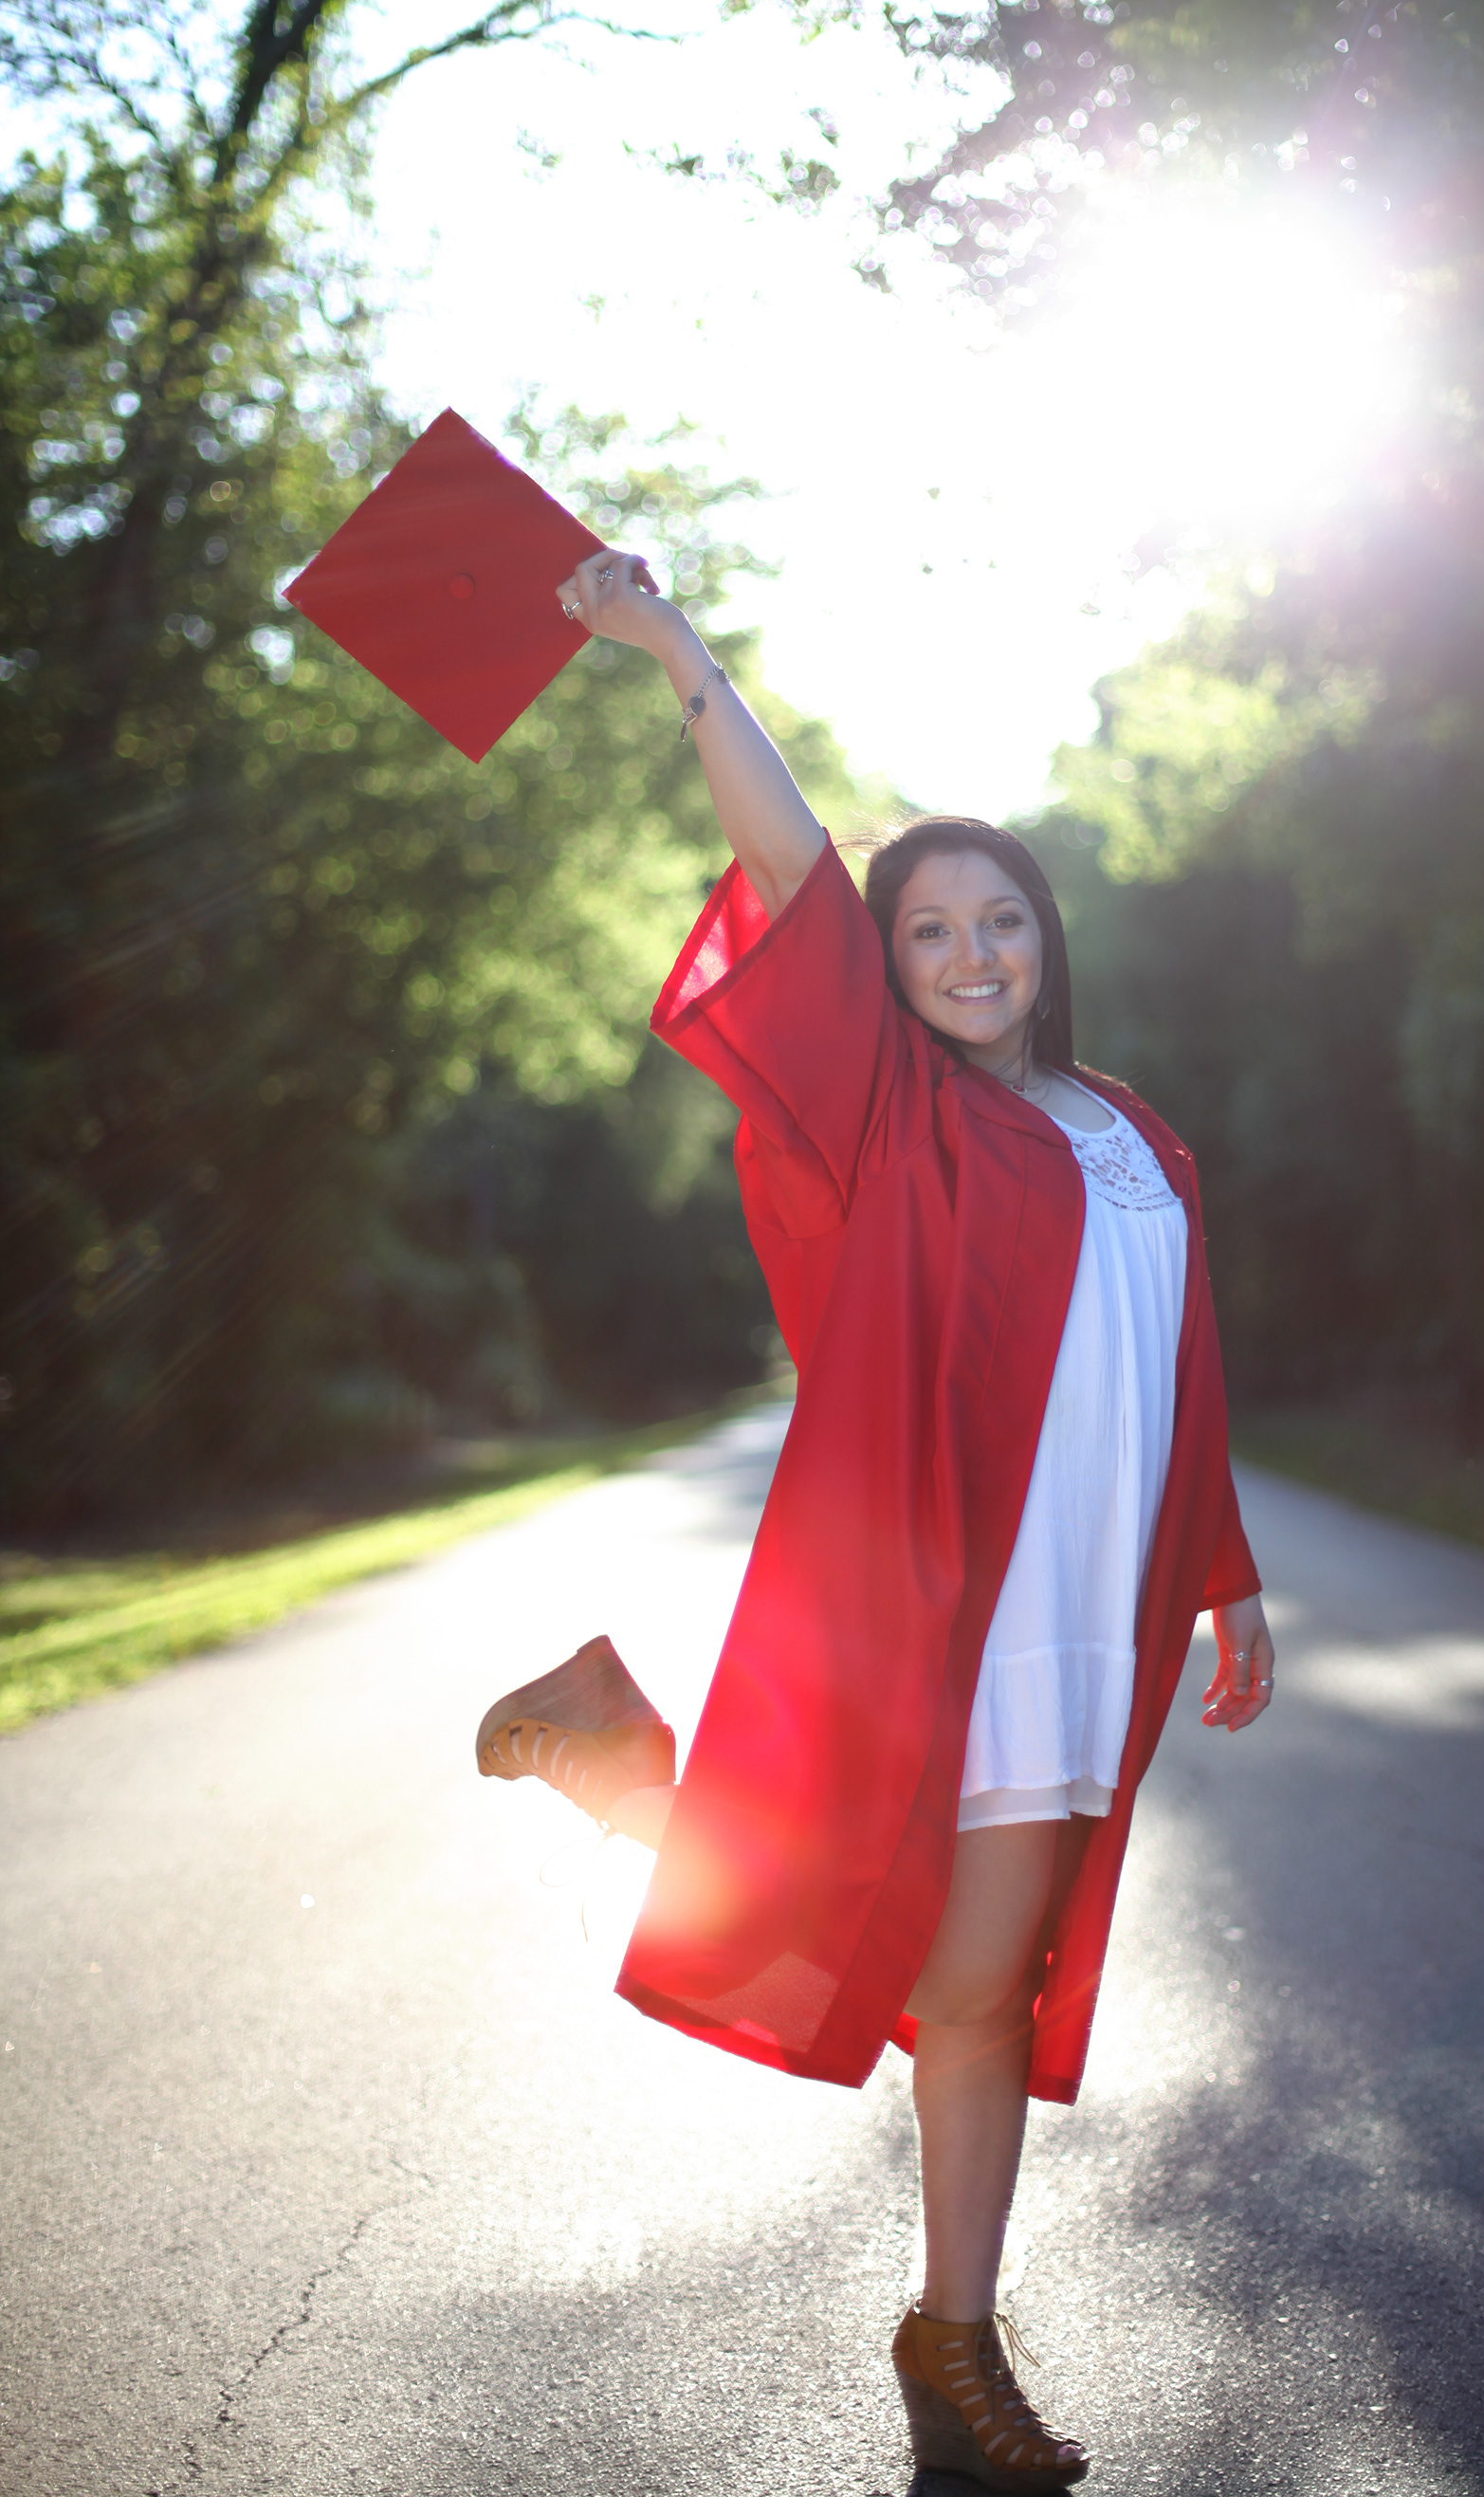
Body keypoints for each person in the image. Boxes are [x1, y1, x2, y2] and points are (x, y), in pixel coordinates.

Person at [476, 546, 1274, 2495]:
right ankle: (949, 2326)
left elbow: (1174, 1370)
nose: (972, 954)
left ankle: (948, 2330)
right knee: (957, 1981)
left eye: (1001, 920)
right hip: (955, 1608)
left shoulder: (1138, 1133)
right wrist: (675, 649)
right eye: (930, 932)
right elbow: (788, 868)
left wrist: (1228, 1574)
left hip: (1094, 1611)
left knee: (983, 1984)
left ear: (1045, 938)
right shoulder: (897, 1113)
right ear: (891, 967)